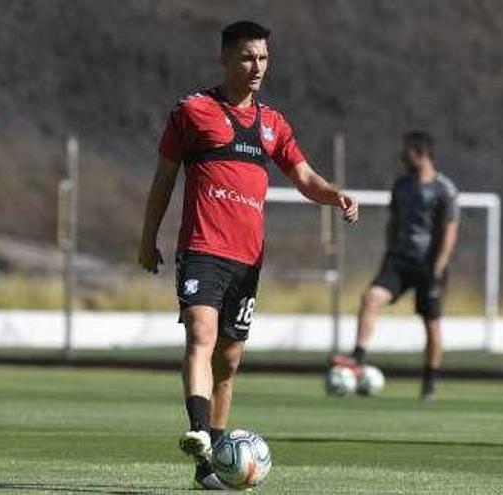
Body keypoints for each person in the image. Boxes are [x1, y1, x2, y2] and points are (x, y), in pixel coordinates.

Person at [138, 21, 358, 489]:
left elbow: (304, 177)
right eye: (246, 57)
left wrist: (334, 194)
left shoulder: (273, 125)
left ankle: (212, 461)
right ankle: (198, 433)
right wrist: (147, 237)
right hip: (201, 248)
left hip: (247, 259)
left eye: (262, 58)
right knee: (201, 332)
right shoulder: (192, 111)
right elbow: (164, 178)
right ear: (224, 59)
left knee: (230, 359)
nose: (256, 67)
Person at [332, 131, 459, 400]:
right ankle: (358, 356)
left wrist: (439, 266)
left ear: (421, 154)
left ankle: (429, 382)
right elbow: (393, 222)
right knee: (371, 297)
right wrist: (389, 253)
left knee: (432, 325)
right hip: (399, 261)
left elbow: (449, 230)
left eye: (407, 152)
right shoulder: (401, 185)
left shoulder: (444, 190)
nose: (403, 157)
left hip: (429, 266)